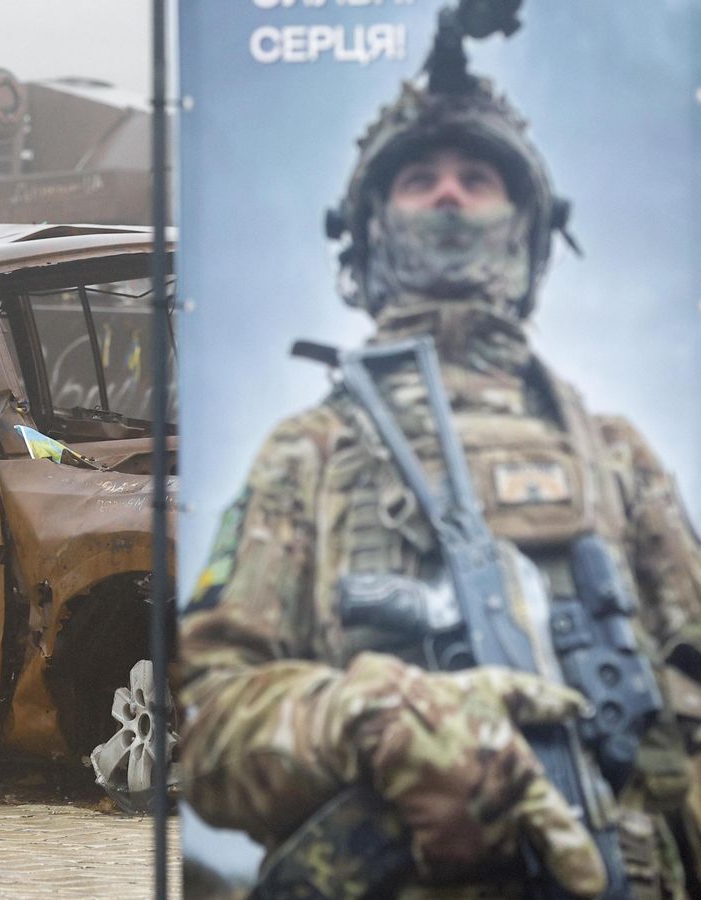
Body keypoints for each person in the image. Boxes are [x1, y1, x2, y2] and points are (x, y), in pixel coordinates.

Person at [177, 44, 701, 900]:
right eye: (420, 179)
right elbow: (201, 720)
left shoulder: (619, 457)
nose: (450, 194)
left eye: (476, 178)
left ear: (524, 225)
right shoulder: (310, 451)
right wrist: (369, 722)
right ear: (374, 227)